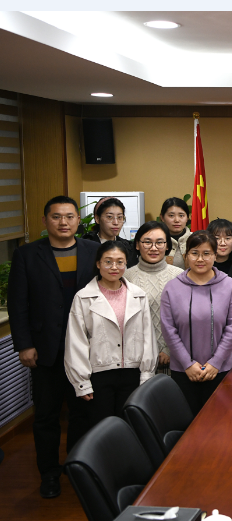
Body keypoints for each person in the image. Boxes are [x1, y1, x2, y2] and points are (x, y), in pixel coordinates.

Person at [7, 196, 99, 498]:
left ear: (78, 220)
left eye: (70, 216)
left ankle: (77, 467)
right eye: (56, 216)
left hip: (86, 349)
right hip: (46, 350)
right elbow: (17, 303)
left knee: (82, 414)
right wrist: (24, 345)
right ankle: (49, 474)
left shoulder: (93, 251)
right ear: (45, 220)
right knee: (46, 416)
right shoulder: (26, 254)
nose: (63, 222)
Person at [65, 241, 157, 427]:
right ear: (98, 264)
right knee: (102, 428)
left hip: (133, 373)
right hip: (99, 375)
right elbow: (76, 341)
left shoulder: (138, 295)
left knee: (130, 426)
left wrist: (147, 373)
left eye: (120, 262)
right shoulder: (83, 297)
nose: (114, 267)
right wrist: (81, 382)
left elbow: (148, 336)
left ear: (126, 264)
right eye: (108, 262)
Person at [161, 231, 232, 416]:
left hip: (219, 370)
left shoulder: (230, 285)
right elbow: (169, 329)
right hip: (183, 371)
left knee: (220, 422)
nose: (200, 259)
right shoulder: (172, 288)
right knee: (186, 423)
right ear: (186, 255)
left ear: (215, 255)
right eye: (194, 253)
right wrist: (187, 364)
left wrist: (216, 363)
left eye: (206, 253)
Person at [124, 221, 184, 371]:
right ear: (137, 245)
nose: (153, 248)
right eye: (147, 242)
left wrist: (168, 349)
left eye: (159, 242)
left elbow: (184, 319)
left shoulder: (180, 276)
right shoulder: (126, 277)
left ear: (167, 246)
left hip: (174, 357)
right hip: (137, 358)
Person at [81, 197, 136, 267]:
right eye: (109, 217)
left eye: (119, 217)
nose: (116, 222)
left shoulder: (128, 247)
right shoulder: (85, 246)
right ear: (97, 219)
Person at [161, 197, 192, 269]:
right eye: (171, 215)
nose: (177, 220)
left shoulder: (196, 239)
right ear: (162, 217)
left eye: (181, 215)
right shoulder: (155, 241)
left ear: (187, 218)